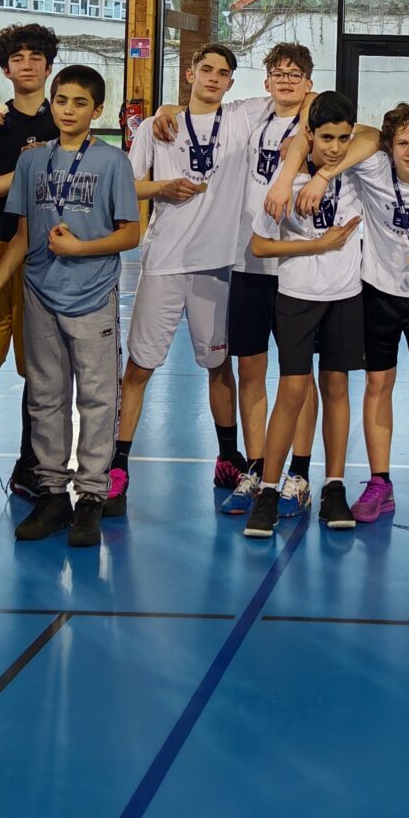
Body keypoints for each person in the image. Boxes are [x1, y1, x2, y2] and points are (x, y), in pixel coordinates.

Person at [0, 67, 141, 549]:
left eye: (79, 103)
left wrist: (81, 250)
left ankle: (90, 496)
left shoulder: (113, 162)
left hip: (91, 295)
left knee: (97, 398)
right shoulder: (32, 162)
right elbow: (21, 237)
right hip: (39, 293)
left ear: (97, 111)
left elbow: (131, 233)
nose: (68, 109)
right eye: (61, 100)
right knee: (45, 397)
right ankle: (51, 494)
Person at [148, 43, 319, 518]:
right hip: (246, 265)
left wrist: (309, 123)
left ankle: (299, 472)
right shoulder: (247, 113)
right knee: (250, 374)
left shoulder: (319, 120)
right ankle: (260, 466)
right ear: (265, 82)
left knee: (298, 376)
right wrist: (166, 107)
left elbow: (357, 131)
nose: (286, 81)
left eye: (296, 74)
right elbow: (201, 111)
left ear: (309, 82)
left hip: (296, 270)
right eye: (278, 73)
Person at [118, 43, 266, 516]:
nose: (214, 78)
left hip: (217, 264)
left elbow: (302, 97)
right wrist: (161, 187)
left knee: (218, 366)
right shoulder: (156, 127)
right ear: (189, 73)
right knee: (140, 367)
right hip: (163, 261)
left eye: (223, 73)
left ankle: (226, 456)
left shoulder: (242, 118)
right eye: (207, 69)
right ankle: (118, 461)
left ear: (230, 82)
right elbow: (126, 183)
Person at [243, 91, 366, 538]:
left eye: (342, 138)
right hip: (296, 297)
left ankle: (334, 487)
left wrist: (325, 174)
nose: (335, 146)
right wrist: (315, 245)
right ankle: (270, 491)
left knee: (336, 386)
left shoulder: (356, 168)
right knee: (292, 392)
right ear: (307, 133)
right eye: (326, 137)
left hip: (345, 296)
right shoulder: (283, 179)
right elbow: (258, 245)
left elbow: (373, 137)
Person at [340, 100, 409, 529]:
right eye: (402, 142)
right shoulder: (371, 169)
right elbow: (359, 131)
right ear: (391, 145)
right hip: (379, 293)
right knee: (377, 385)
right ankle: (379, 482)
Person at [0, 23, 60, 512]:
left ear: (48, 65)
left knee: (39, 371)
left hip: (42, 255)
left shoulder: (64, 122)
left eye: (35, 56)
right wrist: (20, 167)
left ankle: (31, 463)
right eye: (17, 58)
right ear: (5, 69)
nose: (26, 64)